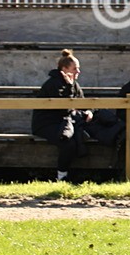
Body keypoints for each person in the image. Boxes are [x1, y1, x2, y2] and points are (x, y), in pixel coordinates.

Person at [31, 49, 92, 182]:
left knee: (79, 138)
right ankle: (61, 177)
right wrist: (70, 88)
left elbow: (82, 102)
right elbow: (64, 108)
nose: (78, 72)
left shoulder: (74, 84)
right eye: (75, 69)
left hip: (64, 122)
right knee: (67, 143)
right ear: (64, 69)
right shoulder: (53, 84)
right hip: (46, 123)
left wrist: (88, 111)